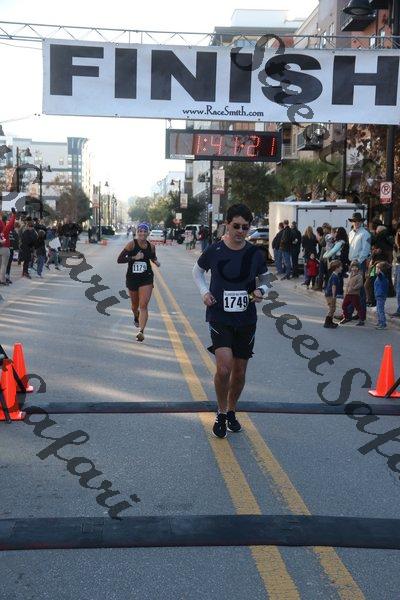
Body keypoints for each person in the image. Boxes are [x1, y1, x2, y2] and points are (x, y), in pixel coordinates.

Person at [192, 204, 269, 439]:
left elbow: (266, 279)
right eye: (236, 226)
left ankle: (232, 410)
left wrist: (262, 290)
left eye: (245, 227)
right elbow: (197, 271)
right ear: (227, 224)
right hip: (220, 315)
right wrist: (204, 292)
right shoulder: (215, 250)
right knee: (224, 368)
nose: (241, 231)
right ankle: (221, 412)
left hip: (246, 318)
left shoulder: (255, 253)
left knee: (240, 371)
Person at [117, 222, 160, 342]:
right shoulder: (131, 244)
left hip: (146, 278)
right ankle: (136, 316)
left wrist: (156, 261)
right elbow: (119, 259)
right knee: (135, 306)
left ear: (148, 233)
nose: (142, 233)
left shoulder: (151, 246)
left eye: (145, 231)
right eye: (140, 231)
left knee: (143, 305)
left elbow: (152, 256)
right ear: (137, 233)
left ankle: (141, 331)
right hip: (132, 278)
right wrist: (134, 258)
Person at [339, 260, 366, 326]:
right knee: (344, 306)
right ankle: (346, 317)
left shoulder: (359, 276)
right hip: (348, 294)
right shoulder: (350, 275)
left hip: (355, 294)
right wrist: (346, 291)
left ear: (358, 268)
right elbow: (348, 284)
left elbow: (360, 284)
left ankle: (361, 320)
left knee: (358, 307)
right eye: (353, 267)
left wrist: (354, 287)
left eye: (356, 267)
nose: (354, 268)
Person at [323, 259, 342, 329]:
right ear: (336, 268)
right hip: (330, 295)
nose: (341, 268)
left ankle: (330, 321)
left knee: (333, 308)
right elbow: (333, 286)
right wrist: (334, 296)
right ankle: (327, 323)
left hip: (331, 294)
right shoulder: (334, 276)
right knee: (331, 308)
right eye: (340, 267)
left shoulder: (335, 275)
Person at [0, 209, 16, 285]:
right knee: (4, 265)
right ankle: (2, 280)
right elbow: (11, 223)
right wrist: (14, 215)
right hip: (5, 248)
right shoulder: (5, 229)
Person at [374, 262, 389, 330]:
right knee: (378, 309)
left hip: (381, 295)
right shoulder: (382, 276)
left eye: (377, 268)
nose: (375, 269)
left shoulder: (381, 276)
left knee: (380, 310)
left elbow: (378, 274)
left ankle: (383, 324)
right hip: (379, 295)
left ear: (380, 269)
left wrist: (378, 272)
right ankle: (380, 321)